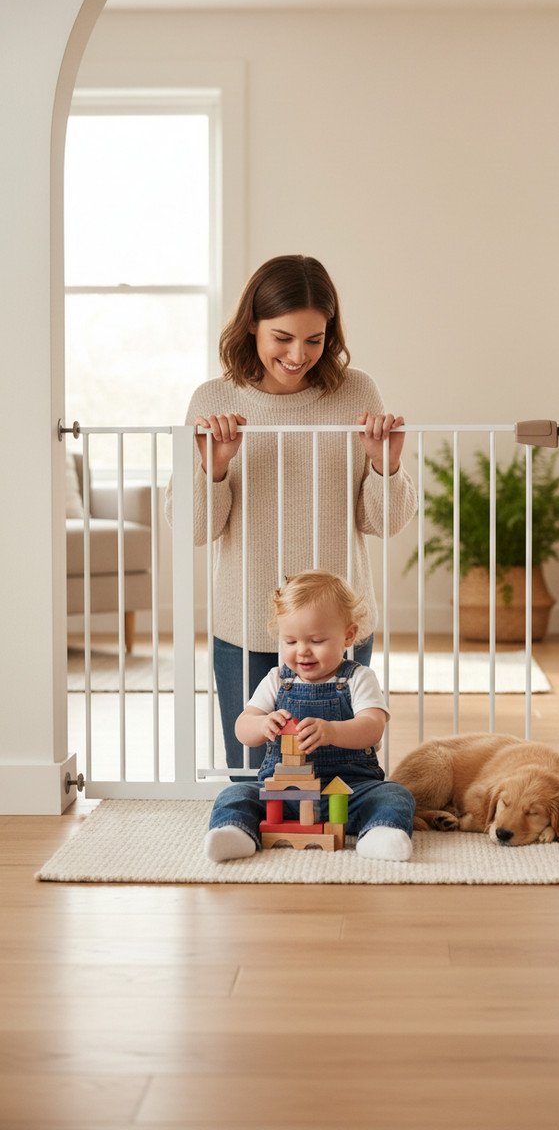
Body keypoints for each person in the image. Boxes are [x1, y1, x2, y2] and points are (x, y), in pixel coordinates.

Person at [166, 254, 416, 774]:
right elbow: (193, 529)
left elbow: (385, 523)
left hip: (338, 623)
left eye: (314, 339)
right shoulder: (213, 400)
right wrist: (212, 469)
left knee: (339, 773)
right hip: (247, 622)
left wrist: (385, 467)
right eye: (282, 337)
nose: (298, 354)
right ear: (252, 326)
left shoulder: (357, 392)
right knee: (255, 775)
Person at [204, 570, 416, 863]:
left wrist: (332, 732)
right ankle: (234, 832)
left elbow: (372, 727)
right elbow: (242, 727)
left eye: (316, 640)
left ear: (349, 636)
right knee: (236, 793)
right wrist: (262, 723)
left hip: (348, 791)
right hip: (284, 795)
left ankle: (380, 833)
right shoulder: (277, 680)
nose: (302, 651)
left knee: (394, 795)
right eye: (290, 641)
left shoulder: (357, 678)